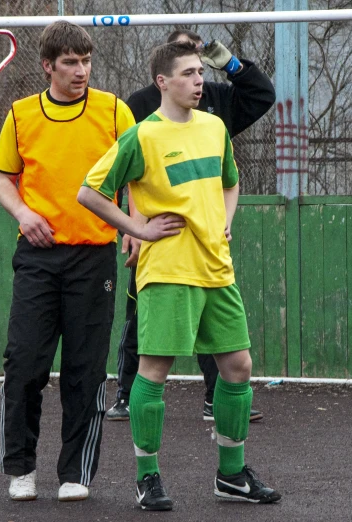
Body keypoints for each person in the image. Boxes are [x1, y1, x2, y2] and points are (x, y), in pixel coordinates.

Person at [78, 40, 281, 510]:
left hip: (216, 268)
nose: (198, 82)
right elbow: (90, 192)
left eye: (200, 73)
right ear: (162, 82)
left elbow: (230, 183)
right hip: (168, 270)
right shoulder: (142, 136)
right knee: (155, 371)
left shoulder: (213, 128)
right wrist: (136, 228)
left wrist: (226, 219)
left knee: (239, 368)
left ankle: (231, 475)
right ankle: (146, 478)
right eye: (189, 74)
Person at [0, 20, 135, 502]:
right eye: (70, 62)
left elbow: (135, 176)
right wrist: (22, 211)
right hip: (37, 255)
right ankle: (20, 467)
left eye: (86, 61)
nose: (81, 71)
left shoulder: (114, 111)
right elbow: (2, 180)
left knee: (85, 368)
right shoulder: (20, 115)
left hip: (94, 256)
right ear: (47, 66)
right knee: (25, 362)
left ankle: (76, 472)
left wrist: (134, 228)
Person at [107, 29, 275, 423]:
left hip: (211, 254)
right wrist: (134, 228)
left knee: (232, 353)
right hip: (163, 248)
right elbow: (120, 176)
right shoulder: (143, 110)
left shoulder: (215, 106)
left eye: (201, 61)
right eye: (187, 61)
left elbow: (261, 99)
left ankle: (216, 403)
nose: (198, 75)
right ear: (164, 74)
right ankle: (127, 395)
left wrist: (230, 63)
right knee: (143, 329)